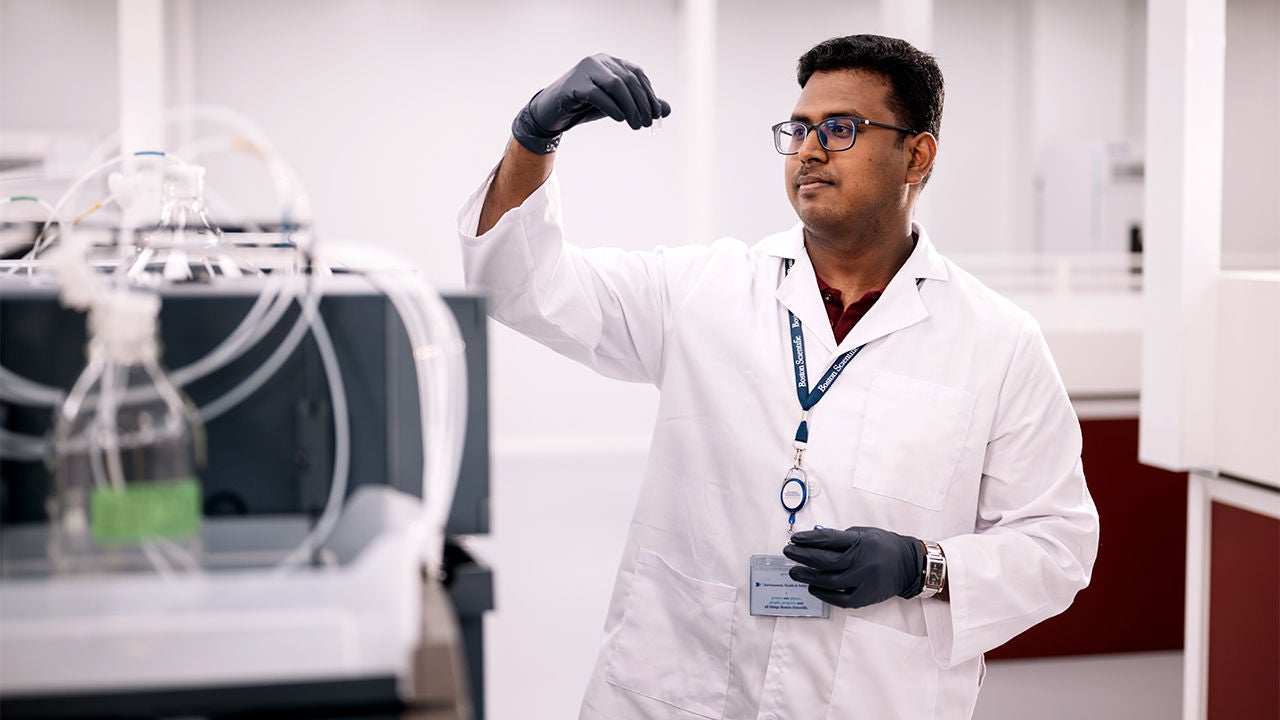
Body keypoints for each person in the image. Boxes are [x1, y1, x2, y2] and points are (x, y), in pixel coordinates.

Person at [458, 35, 1099, 720]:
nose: (809, 150)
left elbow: (1057, 545)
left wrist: (923, 566)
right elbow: (518, 284)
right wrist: (535, 132)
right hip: (674, 695)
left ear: (917, 155)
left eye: (841, 129)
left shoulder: (998, 343)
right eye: (798, 130)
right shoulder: (703, 290)